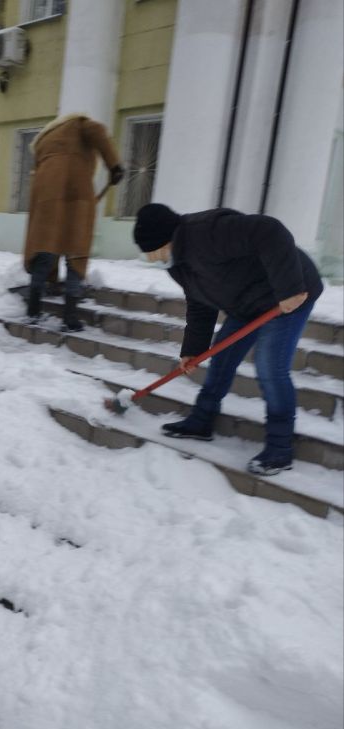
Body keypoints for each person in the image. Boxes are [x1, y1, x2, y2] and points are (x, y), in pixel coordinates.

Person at [133, 203, 324, 476]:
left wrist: (290, 288)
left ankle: (280, 449)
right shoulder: (178, 264)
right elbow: (200, 303)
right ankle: (201, 422)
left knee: (269, 367)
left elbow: (271, 231)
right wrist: (194, 350)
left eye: (154, 252)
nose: (154, 259)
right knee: (221, 358)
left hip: (289, 294)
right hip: (247, 303)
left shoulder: (208, 232)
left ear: (167, 238)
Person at [23, 113, 124, 331]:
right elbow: (97, 131)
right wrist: (114, 165)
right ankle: (70, 318)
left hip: (44, 198)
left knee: (45, 251)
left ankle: (32, 311)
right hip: (75, 194)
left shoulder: (42, 142)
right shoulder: (78, 124)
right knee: (75, 253)